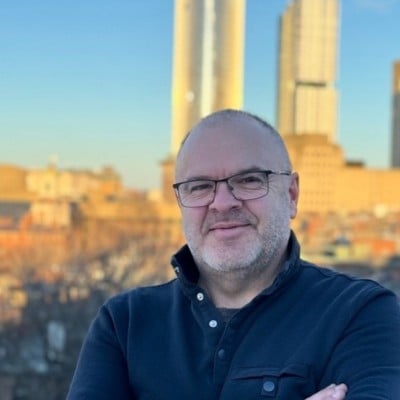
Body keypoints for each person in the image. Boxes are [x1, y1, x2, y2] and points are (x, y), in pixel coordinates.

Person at [67, 109, 400, 399]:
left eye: (249, 180)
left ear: (292, 195)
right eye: (200, 186)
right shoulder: (124, 324)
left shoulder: (361, 313)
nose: (223, 203)